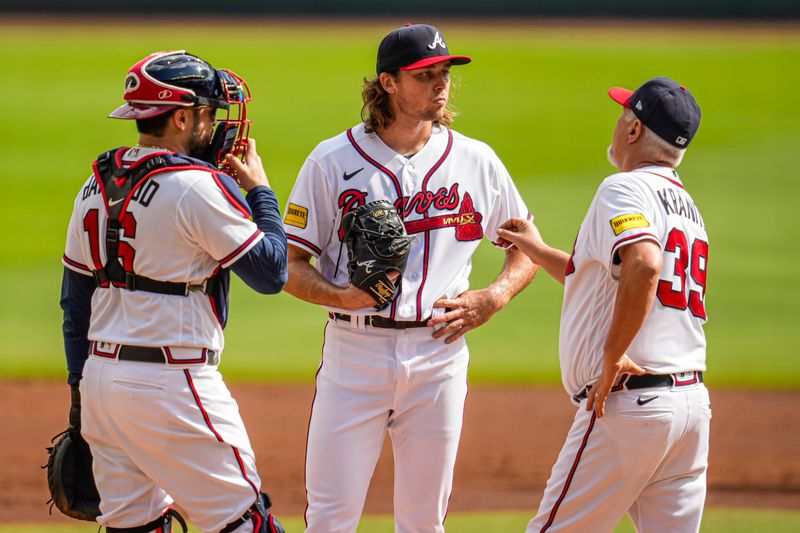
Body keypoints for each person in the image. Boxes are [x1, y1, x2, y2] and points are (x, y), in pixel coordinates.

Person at [281, 23, 538, 532]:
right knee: (330, 520)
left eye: (444, 73)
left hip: (440, 355)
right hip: (355, 355)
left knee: (425, 522)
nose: (440, 84)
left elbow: (527, 247)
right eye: (425, 74)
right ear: (389, 83)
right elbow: (289, 264)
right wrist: (342, 296)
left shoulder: (476, 160)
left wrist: (495, 296)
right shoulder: (332, 161)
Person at [60, 50, 287, 533]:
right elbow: (271, 273)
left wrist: (80, 394)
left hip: (103, 385)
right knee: (247, 523)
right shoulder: (198, 187)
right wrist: (260, 191)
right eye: (209, 113)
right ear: (183, 116)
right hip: (171, 383)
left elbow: (75, 303)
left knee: (135, 527)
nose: (217, 124)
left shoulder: (93, 187)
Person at [497, 77, 710, 532]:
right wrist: (537, 249)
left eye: (623, 115)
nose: (617, 124)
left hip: (633, 408)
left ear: (634, 131)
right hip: (690, 409)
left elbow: (645, 265)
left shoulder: (623, 188)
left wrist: (612, 356)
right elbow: (608, 279)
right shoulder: (686, 207)